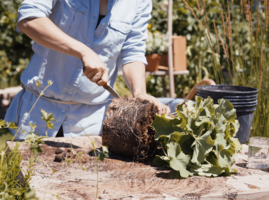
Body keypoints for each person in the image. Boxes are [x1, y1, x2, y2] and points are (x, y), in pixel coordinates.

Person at [5, 0, 170, 139]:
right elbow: (29, 18)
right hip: (38, 114)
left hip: (90, 124)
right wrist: (83, 51)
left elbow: (133, 50)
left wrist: (139, 92)